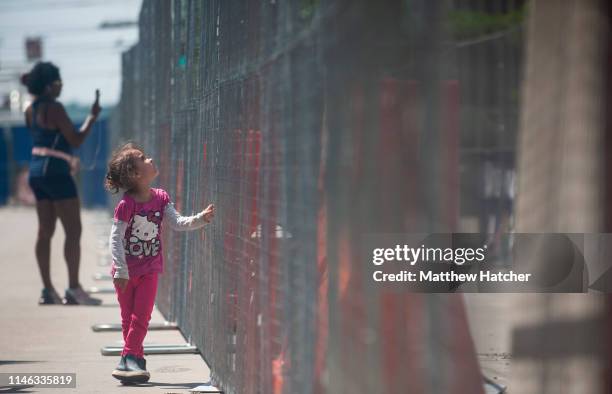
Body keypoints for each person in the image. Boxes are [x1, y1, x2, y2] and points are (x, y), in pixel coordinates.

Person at [105, 143, 215, 383]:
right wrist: (121, 269)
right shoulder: (126, 205)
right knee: (128, 317)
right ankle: (135, 361)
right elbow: (115, 239)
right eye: (143, 158)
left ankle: (128, 358)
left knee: (141, 316)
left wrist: (200, 219)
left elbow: (177, 222)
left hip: (149, 270)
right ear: (136, 174)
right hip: (124, 273)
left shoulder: (161, 198)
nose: (150, 158)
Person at [22, 61, 102, 305]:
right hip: (57, 173)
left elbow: (44, 141)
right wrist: (92, 117)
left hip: (37, 171)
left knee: (45, 231)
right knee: (73, 231)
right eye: (58, 83)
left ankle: (48, 291)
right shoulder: (54, 108)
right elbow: (76, 139)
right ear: (49, 86)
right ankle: (74, 289)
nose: (61, 87)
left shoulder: (29, 110)